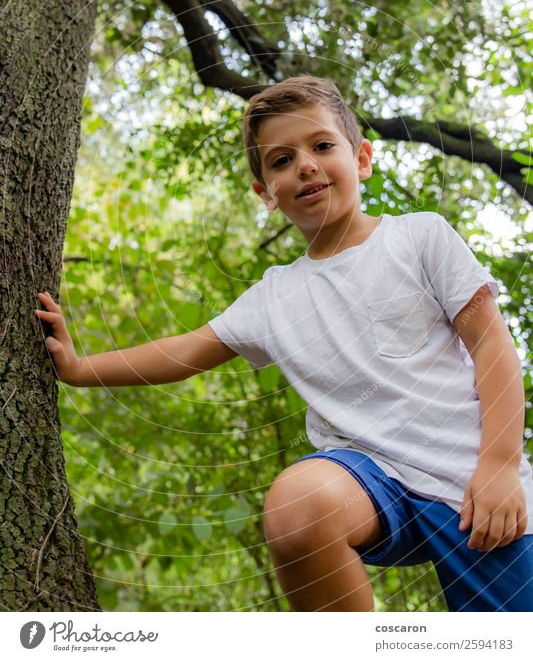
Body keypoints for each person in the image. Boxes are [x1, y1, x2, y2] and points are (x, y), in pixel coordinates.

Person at [36, 75, 533, 612]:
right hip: (370, 485)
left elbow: (491, 347)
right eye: (280, 160)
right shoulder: (275, 296)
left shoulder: (419, 236)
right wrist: (79, 367)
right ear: (265, 194)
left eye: (322, 146)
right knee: (297, 507)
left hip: (476, 483)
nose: (305, 166)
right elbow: (185, 351)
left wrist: (501, 464)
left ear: (362, 158)